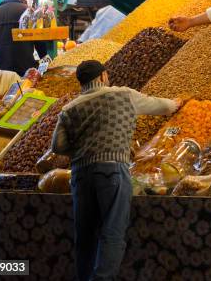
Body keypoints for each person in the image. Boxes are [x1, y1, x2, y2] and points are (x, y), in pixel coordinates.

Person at [51, 60, 182, 281]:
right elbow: (163, 107)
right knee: (112, 232)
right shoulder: (123, 95)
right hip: (112, 170)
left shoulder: (69, 108)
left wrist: (85, 145)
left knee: (85, 235)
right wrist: (177, 102)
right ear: (102, 76)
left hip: (81, 175)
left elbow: (58, 146)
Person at [0, 0, 48, 77]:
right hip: (24, 67)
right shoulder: (29, 12)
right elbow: (39, 38)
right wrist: (44, 59)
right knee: (25, 90)